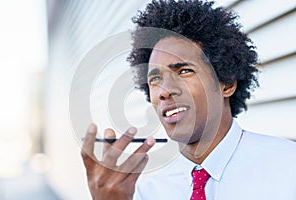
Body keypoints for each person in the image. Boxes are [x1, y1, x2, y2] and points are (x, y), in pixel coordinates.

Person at [81, 0, 296, 199]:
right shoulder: (144, 192)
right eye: (155, 78)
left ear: (227, 84)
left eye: (184, 71)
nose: (164, 91)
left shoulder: (288, 168)